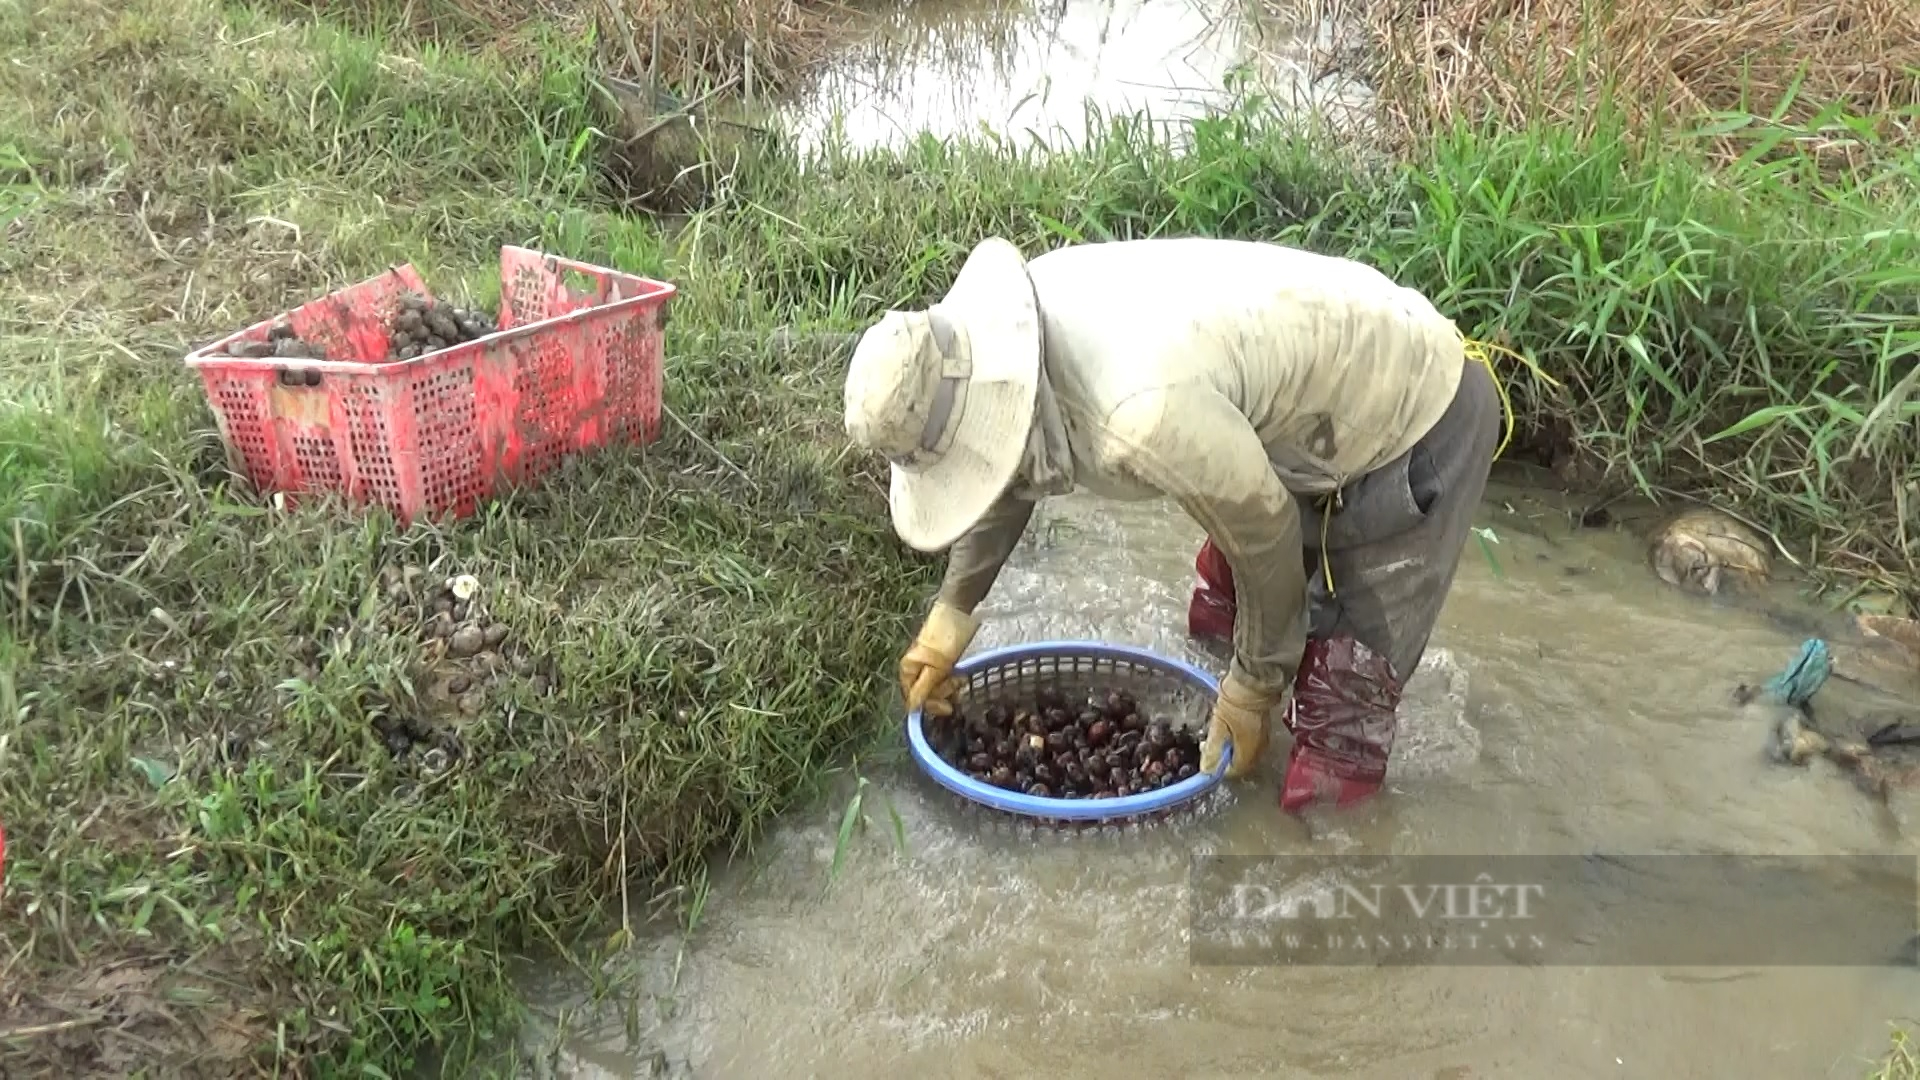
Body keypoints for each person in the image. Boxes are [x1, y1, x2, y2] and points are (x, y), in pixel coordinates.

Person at [842, 235, 1506, 812]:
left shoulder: (1139, 417)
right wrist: (952, 613)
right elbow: (1006, 455)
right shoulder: (1014, 326)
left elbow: (1266, 531)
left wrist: (1252, 688)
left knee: (1342, 715)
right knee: (1223, 608)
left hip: (1415, 417)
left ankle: (1325, 857)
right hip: (1300, 406)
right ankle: (1249, 659)